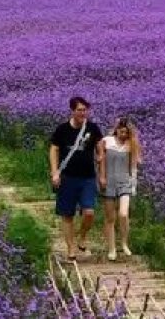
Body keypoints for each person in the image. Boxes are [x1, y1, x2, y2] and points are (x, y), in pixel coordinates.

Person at [49, 97, 104, 261]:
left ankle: (83, 236)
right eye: (79, 110)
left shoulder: (92, 128)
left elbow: (100, 148)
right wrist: (55, 172)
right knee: (67, 215)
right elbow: (54, 150)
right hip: (68, 177)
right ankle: (71, 247)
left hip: (87, 177)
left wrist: (101, 162)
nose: (83, 113)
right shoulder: (62, 129)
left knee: (89, 212)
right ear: (72, 111)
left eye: (85, 110)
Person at [98, 117, 142, 261]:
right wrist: (102, 177)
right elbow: (101, 161)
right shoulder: (107, 141)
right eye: (121, 132)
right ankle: (111, 248)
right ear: (116, 130)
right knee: (110, 218)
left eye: (126, 133)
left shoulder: (131, 145)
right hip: (109, 182)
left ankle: (124, 242)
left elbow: (133, 166)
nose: (123, 135)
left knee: (123, 214)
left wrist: (133, 185)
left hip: (125, 183)